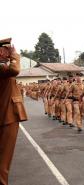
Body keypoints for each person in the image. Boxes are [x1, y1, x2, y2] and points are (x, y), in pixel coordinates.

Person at [0, 43, 28, 185]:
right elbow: (15, 70)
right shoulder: (3, 68)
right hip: (7, 116)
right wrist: (15, 56)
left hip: (6, 114)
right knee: (4, 159)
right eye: (6, 49)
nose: (9, 51)